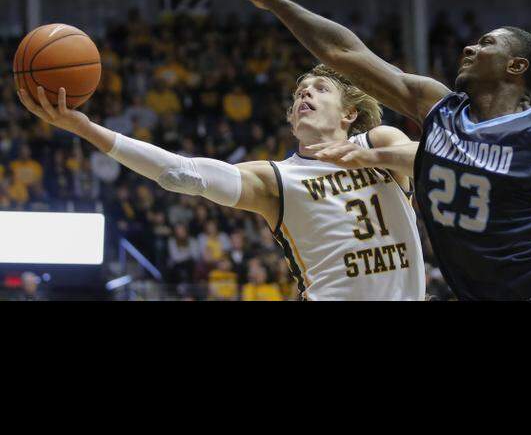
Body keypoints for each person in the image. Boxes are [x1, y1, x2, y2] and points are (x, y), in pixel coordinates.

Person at [211, 0, 531, 301]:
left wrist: (376, 155)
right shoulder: (436, 107)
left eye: (488, 43)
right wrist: (277, 3)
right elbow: (345, 53)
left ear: (517, 66)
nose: (470, 46)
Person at [17, 64, 426, 301]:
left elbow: (431, 160)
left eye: (320, 89)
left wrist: (368, 157)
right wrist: (86, 128)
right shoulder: (277, 179)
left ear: (349, 114)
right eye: (300, 91)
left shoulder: (381, 142)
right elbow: (182, 173)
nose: (305, 95)